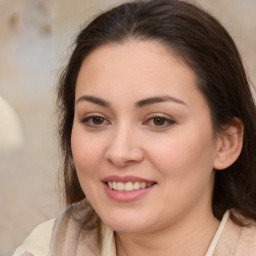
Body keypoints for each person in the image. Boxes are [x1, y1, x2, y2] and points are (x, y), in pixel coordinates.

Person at [13, 0, 256, 255]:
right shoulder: (44, 248)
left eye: (159, 120)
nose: (119, 152)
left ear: (225, 143)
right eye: (96, 119)